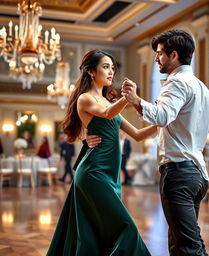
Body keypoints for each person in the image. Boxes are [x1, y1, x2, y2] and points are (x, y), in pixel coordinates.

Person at [46, 49, 156, 256]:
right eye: (105, 67)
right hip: (93, 173)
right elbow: (106, 114)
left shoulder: (109, 102)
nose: (111, 71)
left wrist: (164, 121)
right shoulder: (85, 99)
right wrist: (128, 97)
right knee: (127, 227)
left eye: (113, 68)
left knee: (100, 232)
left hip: (111, 175)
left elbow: (139, 135)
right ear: (90, 71)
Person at [121, 29, 209, 256]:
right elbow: (170, 122)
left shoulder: (177, 83)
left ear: (173, 55)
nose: (155, 59)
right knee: (183, 243)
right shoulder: (203, 89)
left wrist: (135, 100)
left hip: (179, 174)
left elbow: (162, 116)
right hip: (197, 174)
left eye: (159, 53)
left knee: (186, 247)